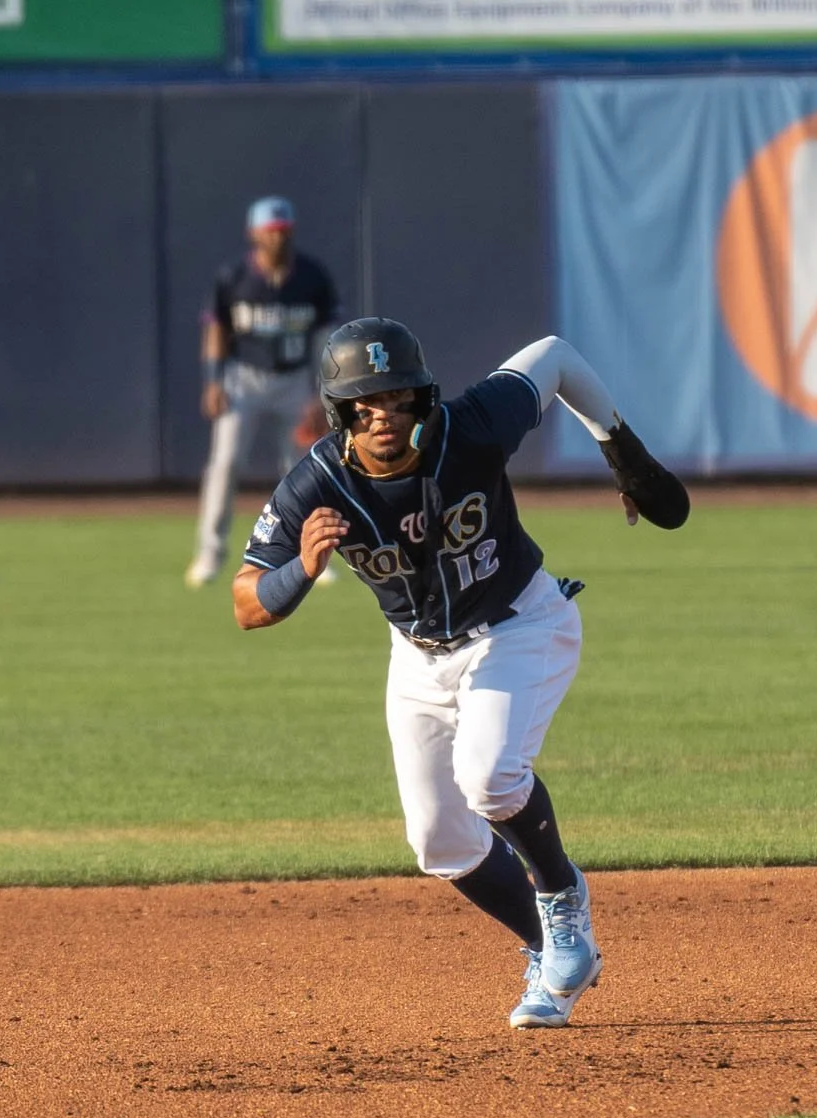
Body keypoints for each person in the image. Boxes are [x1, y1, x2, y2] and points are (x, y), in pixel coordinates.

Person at [231, 317, 689, 1028]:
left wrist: (621, 452)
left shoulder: (470, 426)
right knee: (439, 841)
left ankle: (562, 900)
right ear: (340, 411)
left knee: (488, 777)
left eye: (399, 398)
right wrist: (301, 568)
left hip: (518, 624)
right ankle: (553, 949)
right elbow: (245, 602)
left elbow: (555, 358)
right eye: (365, 403)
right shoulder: (313, 484)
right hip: (416, 656)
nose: (383, 415)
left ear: (422, 398)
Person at [186, 196, 342, 589]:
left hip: (294, 381)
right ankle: (209, 554)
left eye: (283, 232)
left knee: (308, 470)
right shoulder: (235, 277)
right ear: (254, 234)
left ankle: (313, 555)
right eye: (270, 232)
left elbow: (326, 339)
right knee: (224, 465)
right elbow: (217, 329)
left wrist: (322, 394)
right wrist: (213, 379)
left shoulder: (311, 277)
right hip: (244, 379)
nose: (277, 239)